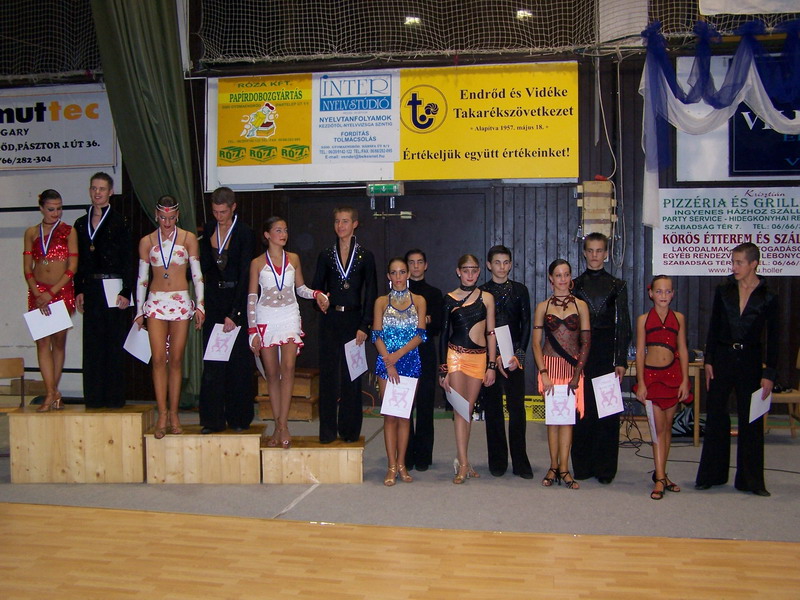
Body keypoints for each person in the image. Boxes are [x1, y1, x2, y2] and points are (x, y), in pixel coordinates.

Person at [696, 243, 778, 497]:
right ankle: (712, 475)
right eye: (733, 262)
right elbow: (714, 326)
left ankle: (751, 480)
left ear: (754, 264)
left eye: (739, 262)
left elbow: (774, 337)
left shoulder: (768, 296)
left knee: (751, 418)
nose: (734, 267)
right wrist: (709, 360)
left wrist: (769, 373)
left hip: (751, 360)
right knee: (716, 415)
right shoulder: (724, 290)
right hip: (722, 357)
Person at [248, 216, 328, 448]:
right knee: (272, 373)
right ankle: (278, 426)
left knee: (289, 367)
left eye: (285, 230)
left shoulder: (294, 258)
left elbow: (300, 289)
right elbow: (252, 297)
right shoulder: (257, 263)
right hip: (266, 317)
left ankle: (283, 425)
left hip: (289, 315)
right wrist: (252, 331)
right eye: (278, 230)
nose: (283, 234)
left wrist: (316, 294)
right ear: (267, 235)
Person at [134, 195, 205, 439]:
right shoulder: (147, 241)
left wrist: (200, 305)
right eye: (163, 218)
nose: (167, 222)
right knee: (158, 359)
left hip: (180, 301)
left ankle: (174, 414)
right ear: (157, 215)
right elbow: (142, 278)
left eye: (171, 218)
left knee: (175, 360)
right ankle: (162, 414)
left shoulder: (188, 239)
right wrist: (139, 310)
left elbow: (197, 275)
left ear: (177, 216)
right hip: (155, 301)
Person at [311, 206, 377, 444]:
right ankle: (327, 432)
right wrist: (319, 299)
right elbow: (316, 287)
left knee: (352, 375)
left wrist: (365, 325)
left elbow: (371, 293)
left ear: (355, 224)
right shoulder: (326, 255)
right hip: (330, 320)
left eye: (345, 221)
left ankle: (350, 431)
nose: (340, 226)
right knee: (328, 376)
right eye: (337, 221)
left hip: (354, 321)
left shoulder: (365, 256)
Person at [571, 232, 631, 484]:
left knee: (607, 412)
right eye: (590, 250)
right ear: (584, 253)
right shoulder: (575, 285)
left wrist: (620, 360)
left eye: (599, 251)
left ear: (606, 254)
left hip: (606, 354)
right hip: (581, 354)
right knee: (582, 410)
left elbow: (623, 325)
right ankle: (583, 466)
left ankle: (606, 469)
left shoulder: (617, 285)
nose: (595, 255)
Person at [74, 172, 133, 409]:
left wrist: (127, 290)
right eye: (94, 188)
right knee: (93, 344)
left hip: (114, 286)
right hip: (91, 287)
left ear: (111, 192)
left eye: (102, 189)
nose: (97, 193)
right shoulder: (80, 223)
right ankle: (94, 398)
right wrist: (79, 289)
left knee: (113, 342)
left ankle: (114, 398)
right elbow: (78, 260)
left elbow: (128, 258)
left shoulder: (120, 221)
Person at [198, 187, 256, 433]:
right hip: (213, 300)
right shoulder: (208, 230)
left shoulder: (244, 233)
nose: (219, 216)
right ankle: (212, 420)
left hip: (236, 298)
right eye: (215, 211)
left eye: (223, 212)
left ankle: (239, 419)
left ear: (233, 208)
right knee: (213, 362)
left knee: (238, 363)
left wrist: (235, 312)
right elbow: (202, 268)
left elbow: (246, 274)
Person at [532, 259, 591, 490]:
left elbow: (586, 342)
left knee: (567, 421)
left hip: (572, 368)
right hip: (550, 367)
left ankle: (565, 469)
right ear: (551, 278)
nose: (563, 279)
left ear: (571, 277)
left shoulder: (581, 305)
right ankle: (553, 466)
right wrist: (543, 373)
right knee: (553, 420)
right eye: (558, 275)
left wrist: (577, 374)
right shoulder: (543, 307)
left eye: (566, 274)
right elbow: (536, 344)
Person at [439, 254, 497, 484]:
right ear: (458, 272)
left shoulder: (487, 298)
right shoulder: (449, 299)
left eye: (474, 270)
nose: (470, 274)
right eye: (466, 270)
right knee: (460, 410)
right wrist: (443, 369)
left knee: (468, 409)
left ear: (479, 271)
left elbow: (491, 333)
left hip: (479, 358)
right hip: (455, 356)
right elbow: (443, 335)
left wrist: (491, 365)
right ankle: (463, 463)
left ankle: (462, 459)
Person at [634, 275, 692, 500]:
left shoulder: (679, 318)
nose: (663, 295)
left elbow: (683, 350)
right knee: (658, 430)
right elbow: (640, 352)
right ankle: (659, 478)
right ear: (651, 293)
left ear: (673, 294)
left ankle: (662, 474)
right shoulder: (643, 320)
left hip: (673, 377)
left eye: (668, 291)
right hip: (652, 378)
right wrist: (641, 382)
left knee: (667, 428)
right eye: (659, 291)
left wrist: (685, 380)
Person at [479, 245, 534, 479]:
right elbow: (481, 328)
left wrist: (517, 355)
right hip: (490, 359)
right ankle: (497, 461)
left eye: (505, 262)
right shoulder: (482, 292)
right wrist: (493, 357)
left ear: (511, 264)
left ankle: (520, 461)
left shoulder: (520, 290)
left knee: (517, 409)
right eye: (497, 262)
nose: (502, 267)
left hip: (513, 359)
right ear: (489, 265)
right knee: (493, 410)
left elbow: (526, 324)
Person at [372, 257, 427, 486]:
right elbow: (376, 335)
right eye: (393, 273)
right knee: (390, 416)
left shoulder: (419, 300)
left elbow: (421, 334)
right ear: (388, 276)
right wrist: (389, 361)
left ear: (408, 274)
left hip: (410, 362)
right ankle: (391, 465)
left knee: (404, 416)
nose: (398, 277)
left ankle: (402, 464)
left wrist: (399, 355)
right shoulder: (381, 302)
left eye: (402, 272)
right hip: (386, 364)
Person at [22, 189, 78, 412]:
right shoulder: (31, 233)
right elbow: (27, 268)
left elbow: (72, 267)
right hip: (38, 293)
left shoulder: (69, 231)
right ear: (41, 209)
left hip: (60, 292)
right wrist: (37, 293)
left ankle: (53, 392)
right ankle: (51, 393)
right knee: (42, 343)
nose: (56, 213)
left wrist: (51, 293)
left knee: (58, 342)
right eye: (51, 209)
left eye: (59, 208)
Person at [404, 249, 442, 471]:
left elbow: (436, 325)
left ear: (426, 265)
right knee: (405, 406)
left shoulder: (434, 294)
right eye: (411, 262)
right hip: (403, 354)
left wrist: (422, 320)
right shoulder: (400, 293)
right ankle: (407, 454)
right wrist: (422, 319)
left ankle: (424, 456)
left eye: (419, 262)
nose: (416, 266)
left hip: (426, 352)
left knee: (426, 404)